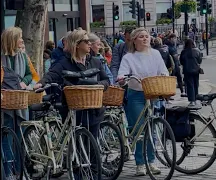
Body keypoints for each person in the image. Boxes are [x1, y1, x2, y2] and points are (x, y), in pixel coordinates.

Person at [34, 28, 110, 140]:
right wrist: (41, 83)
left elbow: (106, 80)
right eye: (86, 41)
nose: (90, 43)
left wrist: (97, 85)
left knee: (94, 148)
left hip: (94, 110)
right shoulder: (64, 62)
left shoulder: (96, 62)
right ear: (77, 44)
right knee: (76, 146)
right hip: (74, 110)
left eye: (89, 41)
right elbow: (52, 74)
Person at [117, 28, 168, 176]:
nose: (145, 39)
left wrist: (164, 76)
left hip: (152, 93)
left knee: (151, 128)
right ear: (134, 40)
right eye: (141, 37)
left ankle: (151, 162)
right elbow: (122, 74)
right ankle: (140, 163)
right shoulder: (129, 57)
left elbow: (163, 70)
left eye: (147, 36)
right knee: (140, 129)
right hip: (136, 94)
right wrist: (122, 78)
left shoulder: (156, 54)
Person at [1, 27, 33, 178]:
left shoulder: (23, 56)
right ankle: (8, 172)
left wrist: (24, 83)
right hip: (5, 102)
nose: (22, 40)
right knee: (6, 136)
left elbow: (29, 75)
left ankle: (19, 172)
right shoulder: (1, 57)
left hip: (19, 101)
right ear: (12, 40)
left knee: (20, 138)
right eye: (19, 38)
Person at [180, 39, 202, 106]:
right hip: (196, 70)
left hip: (187, 70)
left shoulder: (183, 52)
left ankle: (192, 100)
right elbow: (200, 60)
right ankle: (196, 98)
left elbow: (181, 61)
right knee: (196, 84)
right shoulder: (197, 51)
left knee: (190, 85)